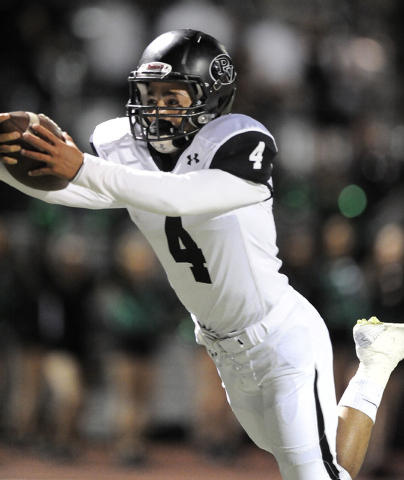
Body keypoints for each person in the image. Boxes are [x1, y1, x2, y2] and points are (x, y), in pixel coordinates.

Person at [0, 29, 403, 480]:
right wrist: (7, 167)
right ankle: (377, 363)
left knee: (313, 474)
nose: (155, 109)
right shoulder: (123, 149)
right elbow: (73, 189)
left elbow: (182, 197)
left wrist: (87, 167)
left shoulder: (238, 141)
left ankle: (375, 366)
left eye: (172, 98)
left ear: (212, 99)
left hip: (281, 337)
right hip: (222, 347)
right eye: (149, 95)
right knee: (325, 466)